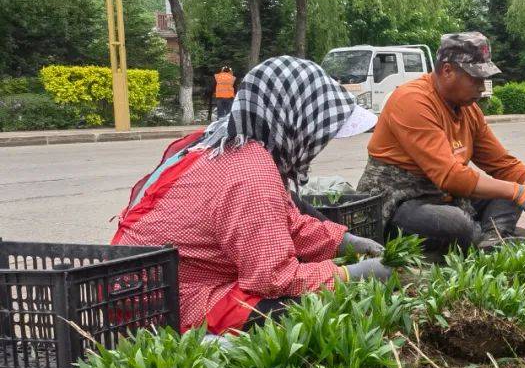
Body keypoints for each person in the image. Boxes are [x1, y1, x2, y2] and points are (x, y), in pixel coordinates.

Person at [113, 57, 387, 335]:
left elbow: (285, 222)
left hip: (153, 284)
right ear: (296, 122)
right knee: (302, 311)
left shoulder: (235, 143)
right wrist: (351, 275)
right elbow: (273, 278)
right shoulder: (250, 171)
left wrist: (343, 242)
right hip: (158, 303)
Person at [357, 32, 525, 253]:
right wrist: (517, 192)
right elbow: (451, 176)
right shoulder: (412, 100)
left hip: (445, 198)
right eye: (475, 78)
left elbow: (503, 164)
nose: (482, 87)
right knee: (456, 223)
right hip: (401, 204)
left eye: (484, 79)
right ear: (447, 70)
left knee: (510, 188)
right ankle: (488, 236)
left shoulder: (469, 110)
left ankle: (492, 239)